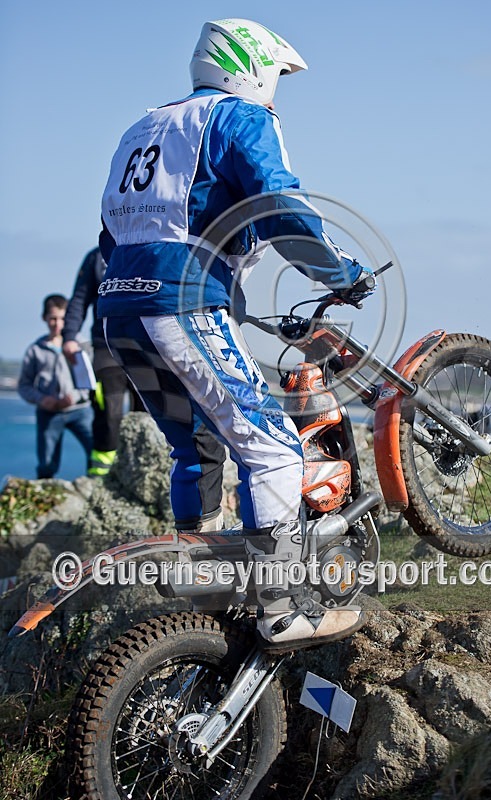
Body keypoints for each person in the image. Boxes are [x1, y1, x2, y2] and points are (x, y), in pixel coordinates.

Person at [98, 18, 376, 648]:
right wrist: (338, 270)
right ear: (250, 67)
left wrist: (229, 294)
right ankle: (282, 609)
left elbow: (117, 235)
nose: (276, 94)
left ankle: (208, 590)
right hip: (182, 302)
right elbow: (279, 206)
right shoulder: (240, 117)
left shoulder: (141, 128)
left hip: (121, 310)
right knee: (273, 445)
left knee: (196, 446)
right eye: (276, 78)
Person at [62, 247, 144, 477]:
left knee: (147, 411)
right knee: (109, 411)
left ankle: (141, 470)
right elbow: (79, 299)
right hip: (105, 344)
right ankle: (101, 477)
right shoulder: (96, 257)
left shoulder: (150, 249)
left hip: (146, 346)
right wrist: (69, 336)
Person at [18, 295, 93, 479]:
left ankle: (95, 492)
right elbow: (24, 385)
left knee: (96, 452)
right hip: (48, 413)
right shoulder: (35, 350)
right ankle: (45, 502)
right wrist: (42, 399)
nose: (57, 324)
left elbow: (90, 379)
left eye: (62, 318)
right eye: (53, 318)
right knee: (47, 464)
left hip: (80, 411)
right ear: (44, 318)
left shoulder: (81, 345)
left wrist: (74, 397)